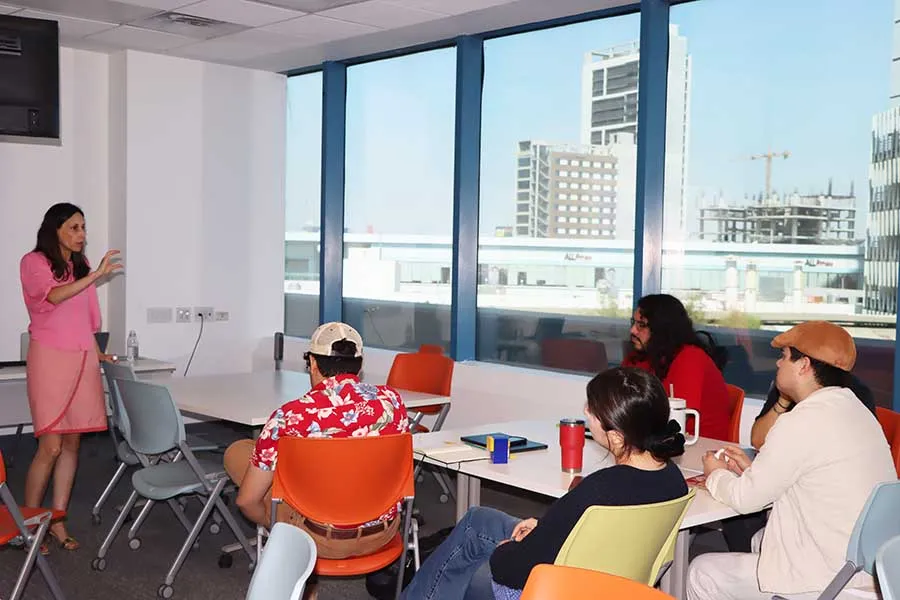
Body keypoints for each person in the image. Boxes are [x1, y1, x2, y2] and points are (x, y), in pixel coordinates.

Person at [400, 367, 689, 600]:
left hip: (556, 587)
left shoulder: (598, 489)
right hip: (614, 579)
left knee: (479, 551)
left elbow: (511, 571)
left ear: (615, 436)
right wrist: (546, 526)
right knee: (479, 519)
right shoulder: (673, 480)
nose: (586, 412)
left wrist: (504, 550)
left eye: (593, 410)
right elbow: (591, 529)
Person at [687, 321, 897, 600]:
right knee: (759, 541)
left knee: (702, 571)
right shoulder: (856, 411)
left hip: (829, 578)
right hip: (871, 569)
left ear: (803, 365)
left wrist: (715, 473)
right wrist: (755, 472)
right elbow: (816, 479)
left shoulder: (802, 420)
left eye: (784, 356)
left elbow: (744, 499)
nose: (777, 363)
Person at [223, 321, 409, 560]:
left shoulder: (290, 416)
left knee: (239, 454)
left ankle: (292, 559)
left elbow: (247, 501)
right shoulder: (392, 402)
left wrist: (272, 522)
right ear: (359, 365)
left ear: (312, 363)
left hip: (317, 538)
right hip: (383, 532)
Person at [20, 203, 122, 553]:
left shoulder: (81, 266)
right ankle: (30, 523)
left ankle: (58, 520)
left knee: (73, 444)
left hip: (82, 360)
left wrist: (99, 354)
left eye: (83, 227)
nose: (82, 235)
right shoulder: (34, 262)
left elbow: (84, 321)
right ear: (56, 229)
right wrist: (96, 277)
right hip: (50, 360)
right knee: (50, 446)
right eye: (74, 228)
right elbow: (53, 296)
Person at [622, 294, 731, 441]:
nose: (633, 331)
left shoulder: (690, 358)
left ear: (661, 328)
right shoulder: (641, 356)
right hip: (654, 442)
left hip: (699, 448)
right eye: (633, 323)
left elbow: (674, 421)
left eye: (641, 325)